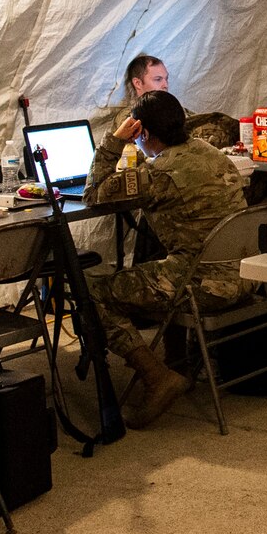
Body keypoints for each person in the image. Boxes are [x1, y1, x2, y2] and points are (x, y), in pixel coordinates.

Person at [84, 89, 252, 429]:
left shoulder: (158, 174)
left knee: (94, 292)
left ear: (142, 132)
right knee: (166, 262)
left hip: (204, 284)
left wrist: (113, 144)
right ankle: (180, 363)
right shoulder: (210, 152)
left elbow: (92, 194)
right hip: (248, 276)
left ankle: (157, 377)